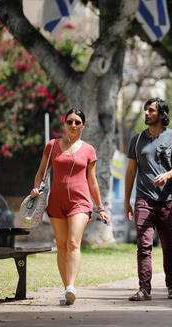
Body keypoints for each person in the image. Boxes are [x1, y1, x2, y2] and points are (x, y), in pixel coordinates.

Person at [31, 108, 110, 306]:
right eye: (69, 122)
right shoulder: (52, 146)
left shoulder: (89, 150)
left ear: (83, 125)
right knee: (60, 245)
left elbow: (92, 182)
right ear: (65, 124)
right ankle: (66, 288)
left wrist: (100, 207)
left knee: (73, 243)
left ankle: (71, 286)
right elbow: (41, 172)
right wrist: (35, 189)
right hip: (56, 202)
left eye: (77, 122)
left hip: (80, 202)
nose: (73, 125)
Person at [124, 97, 172, 301]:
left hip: (167, 200)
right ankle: (144, 289)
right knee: (144, 245)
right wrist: (127, 201)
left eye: (151, 110)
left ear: (161, 114)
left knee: (168, 244)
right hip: (143, 199)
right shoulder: (137, 139)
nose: (147, 114)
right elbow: (131, 171)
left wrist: (166, 175)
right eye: (145, 110)